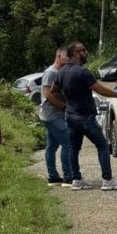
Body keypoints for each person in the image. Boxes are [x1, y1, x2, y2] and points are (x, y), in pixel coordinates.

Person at [52, 42, 117, 191]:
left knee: (73, 148)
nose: (86, 52)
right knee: (102, 145)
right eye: (82, 50)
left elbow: (53, 90)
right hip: (85, 117)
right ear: (75, 54)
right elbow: (100, 90)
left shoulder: (61, 72)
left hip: (70, 116)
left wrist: (68, 101)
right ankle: (108, 180)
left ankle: (76, 180)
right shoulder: (83, 72)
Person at [40, 48, 73, 187]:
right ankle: (69, 177)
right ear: (59, 56)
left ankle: (53, 177)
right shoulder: (51, 72)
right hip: (51, 115)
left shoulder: (59, 72)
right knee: (68, 144)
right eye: (66, 56)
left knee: (52, 146)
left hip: (55, 114)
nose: (68, 59)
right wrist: (64, 106)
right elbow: (48, 94)